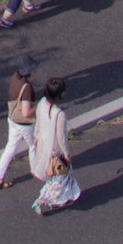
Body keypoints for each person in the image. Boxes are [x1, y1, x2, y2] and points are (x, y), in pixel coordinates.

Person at [32, 77, 81, 214]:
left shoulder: (42, 103)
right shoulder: (59, 114)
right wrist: (66, 153)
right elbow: (61, 137)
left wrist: (36, 136)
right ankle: (42, 200)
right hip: (55, 151)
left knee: (54, 178)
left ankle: (57, 200)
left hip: (44, 146)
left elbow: (38, 122)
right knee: (59, 179)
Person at [0, 53, 39, 189]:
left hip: (12, 119)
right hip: (24, 124)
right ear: (29, 71)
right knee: (34, 145)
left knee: (10, 148)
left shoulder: (15, 77)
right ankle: (35, 170)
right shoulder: (27, 88)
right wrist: (39, 106)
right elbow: (26, 113)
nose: (35, 70)